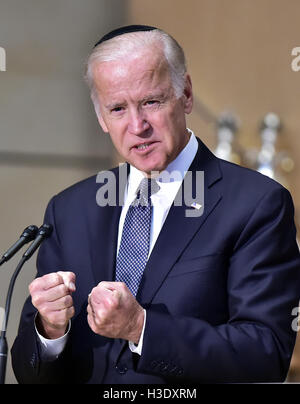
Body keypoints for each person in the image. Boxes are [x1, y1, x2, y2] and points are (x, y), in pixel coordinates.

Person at [11, 25, 300, 384]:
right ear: (101, 117)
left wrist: (140, 327)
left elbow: (266, 353)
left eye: (151, 101)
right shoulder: (70, 210)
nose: (137, 125)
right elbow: (30, 373)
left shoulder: (256, 204)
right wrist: (51, 330)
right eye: (117, 108)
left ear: (187, 94)